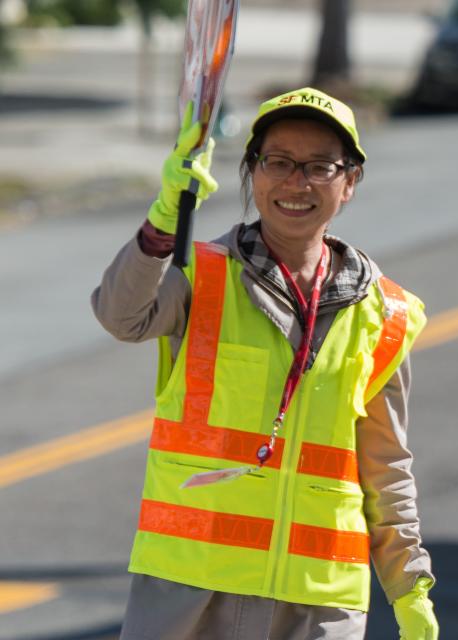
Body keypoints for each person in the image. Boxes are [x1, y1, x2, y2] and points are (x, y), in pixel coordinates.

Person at [91, 87, 439, 640]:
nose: (295, 182)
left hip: (318, 602)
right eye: (278, 162)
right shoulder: (200, 275)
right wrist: (161, 225)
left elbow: (386, 468)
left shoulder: (386, 315)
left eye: (320, 166)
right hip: (189, 592)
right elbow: (120, 316)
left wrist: (409, 585)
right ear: (251, 173)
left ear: (350, 183)